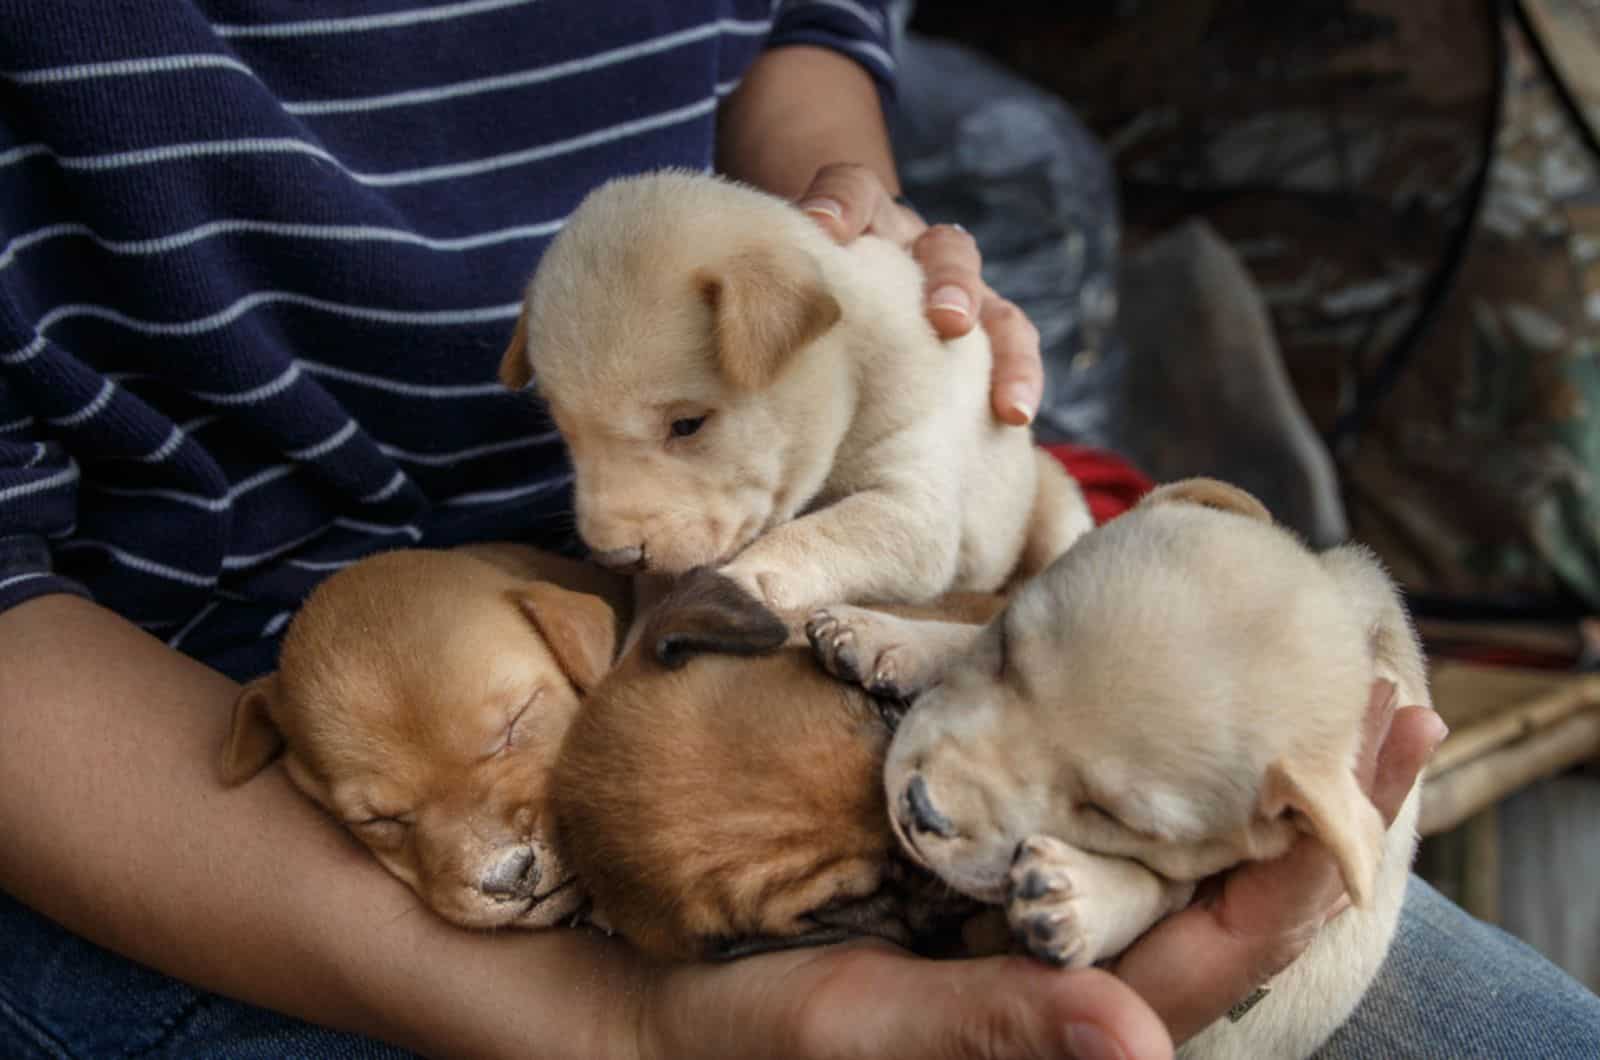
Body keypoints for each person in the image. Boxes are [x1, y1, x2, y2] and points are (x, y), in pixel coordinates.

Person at [0, 4, 1594, 1058]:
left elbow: (801, 24)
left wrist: (839, 227)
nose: (606, 512)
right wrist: (623, 1024)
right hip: (190, 791)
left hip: (751, 649)